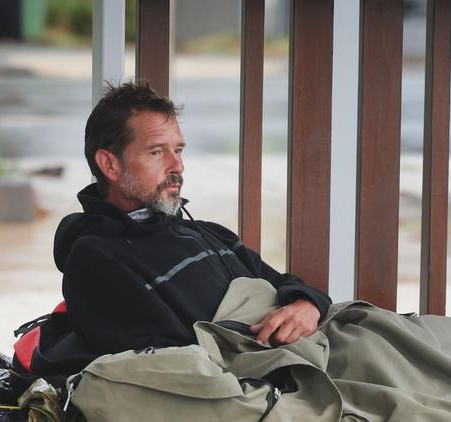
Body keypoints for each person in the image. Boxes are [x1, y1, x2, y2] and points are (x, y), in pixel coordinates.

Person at [55, 81, 331, 356]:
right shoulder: (96, 257)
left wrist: (305, 306)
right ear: (110, 165)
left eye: (178, 150)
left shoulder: (209, 233)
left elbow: (286, 284)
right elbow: (160, 365)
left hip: (299, 354)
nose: (178, 166)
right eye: (157, 152)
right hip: (260, 377)